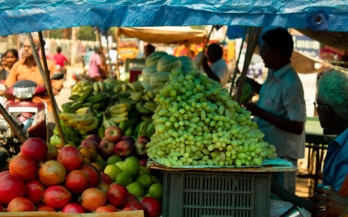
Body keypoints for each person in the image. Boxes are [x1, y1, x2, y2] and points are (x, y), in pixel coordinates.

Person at [244, 28, 306, 194]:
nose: (261, 54)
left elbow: (297, 126)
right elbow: (269, 96)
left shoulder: (290, 83)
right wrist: (250, 84)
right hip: (269, 152)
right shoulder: (273, 75)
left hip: (282, 157)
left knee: (283, 201)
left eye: (264, 50)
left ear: (276, 51)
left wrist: (259, 112)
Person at [5, 37, 63, 136]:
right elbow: (9, 85)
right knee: (5, 128)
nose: (26, 49)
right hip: (20, 105)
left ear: (37, 48)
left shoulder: (48, 65)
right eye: (24, 47)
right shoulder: (17, 66)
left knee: (52, 130)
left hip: (44, 104)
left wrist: (52, 89)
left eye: (29, 46)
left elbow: (57, 84)